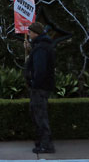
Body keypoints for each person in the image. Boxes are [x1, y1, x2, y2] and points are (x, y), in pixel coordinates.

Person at [24, 22, 56, 154]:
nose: (29, 35)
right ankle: (43, 142)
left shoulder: (41, 48)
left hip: (40, 87)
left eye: (30, 33)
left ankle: (45, 144)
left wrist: (33, 82)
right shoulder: (43, 46)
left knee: (40, 115)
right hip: (44, 86)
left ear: (35, 33)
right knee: (39, 114)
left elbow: (40, 69)